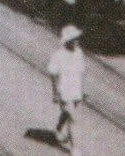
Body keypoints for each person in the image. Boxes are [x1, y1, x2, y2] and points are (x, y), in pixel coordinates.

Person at [47, 24, 85, 156]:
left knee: (67, 115)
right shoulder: (58, 55)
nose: (76, 41)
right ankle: (75, 149)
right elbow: (53, 74)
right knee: (72, 119)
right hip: (64, 91)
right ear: (67, 41)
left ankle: (58, 130)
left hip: (76, 90)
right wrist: (55, 92)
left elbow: (80, 73)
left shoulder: (79, 53)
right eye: (74, 39)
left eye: (77, 38)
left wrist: (82, 91)